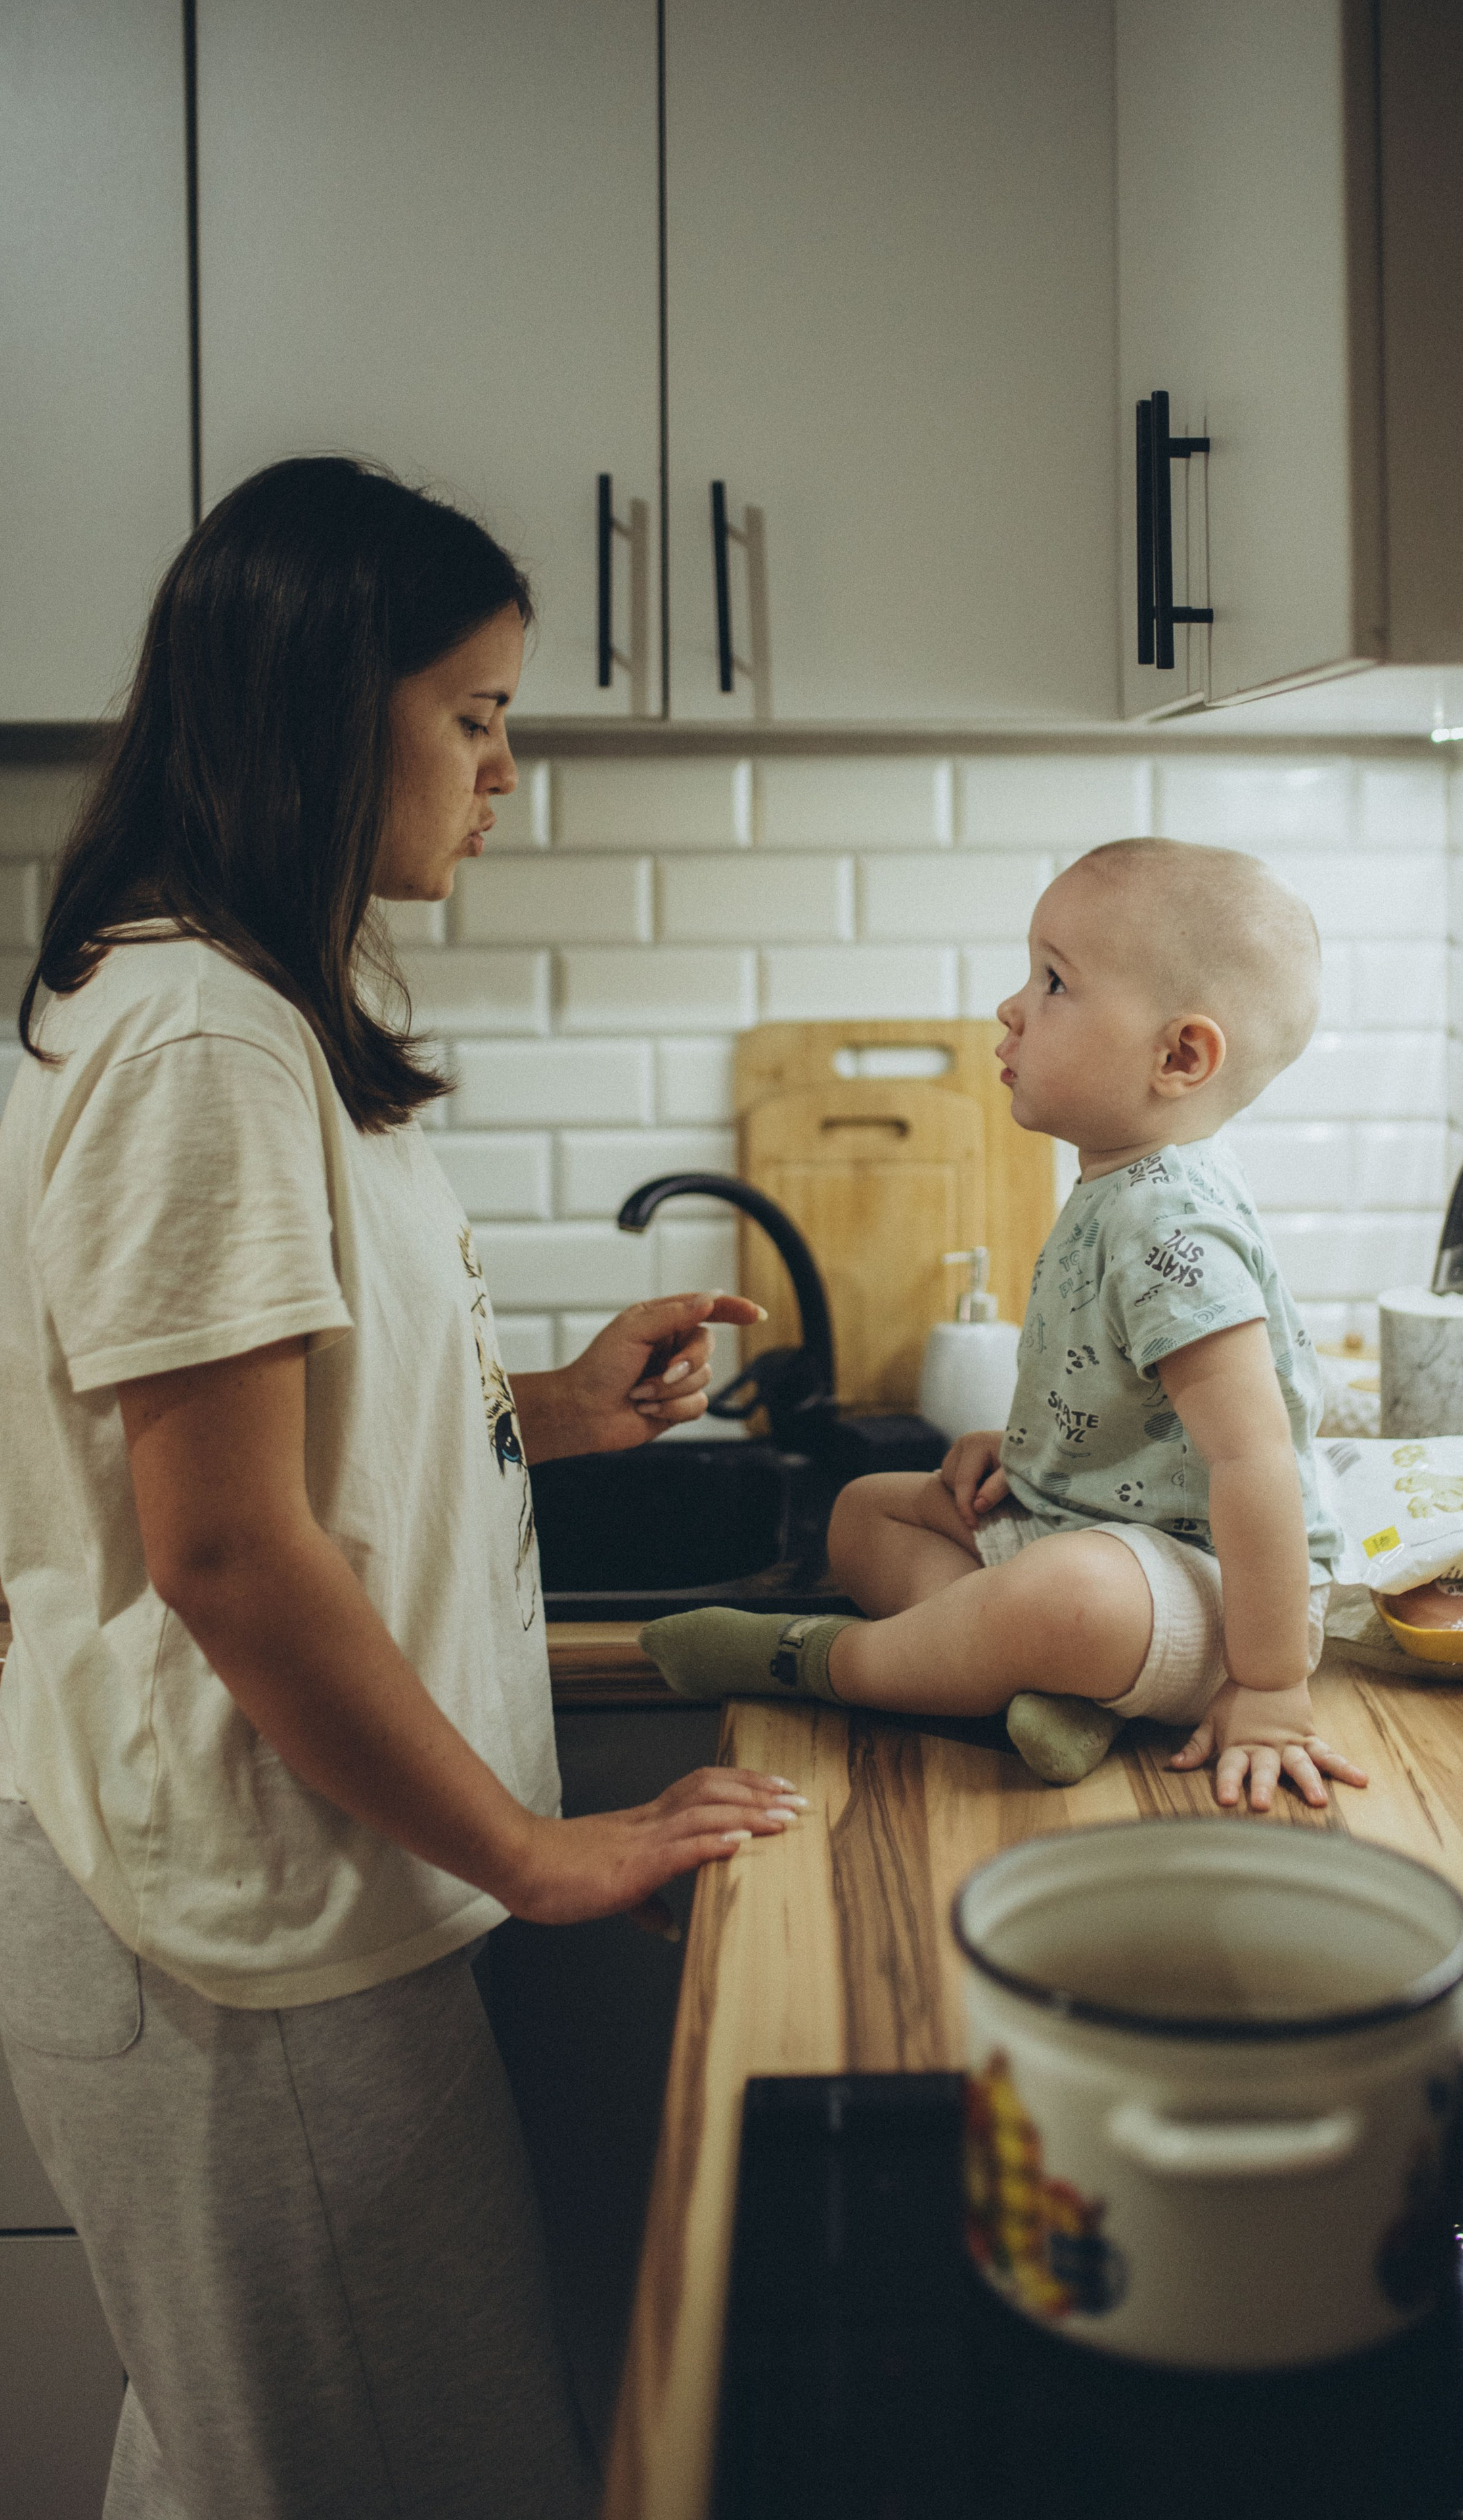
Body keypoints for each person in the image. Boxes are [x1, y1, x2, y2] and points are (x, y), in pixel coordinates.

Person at [0, 455, 801, 2520]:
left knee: (249, 2467)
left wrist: (549, 1404)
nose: (508, 768)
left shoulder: (241, 1004)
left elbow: (263, 1439)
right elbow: (225, 1550)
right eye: (475, 714)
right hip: (245, 1928)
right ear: (323, 716)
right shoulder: (201, 1040)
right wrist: (535, 1855)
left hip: (289, 1892)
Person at [641, 838, 1368, 1810]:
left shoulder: (1170, 1222)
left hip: (1222, 1598)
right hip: (1098, 1537)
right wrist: (1027, 1451)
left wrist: (1270, 1686)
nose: (1012, 1007)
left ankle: (826, 1662)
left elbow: (1256, 1460)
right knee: (867, 1514)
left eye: (1055, 982)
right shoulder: (1123, 1186)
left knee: (1068, 1596)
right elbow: (1133, 1406)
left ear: (1179, 1056)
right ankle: (1045, 1685)